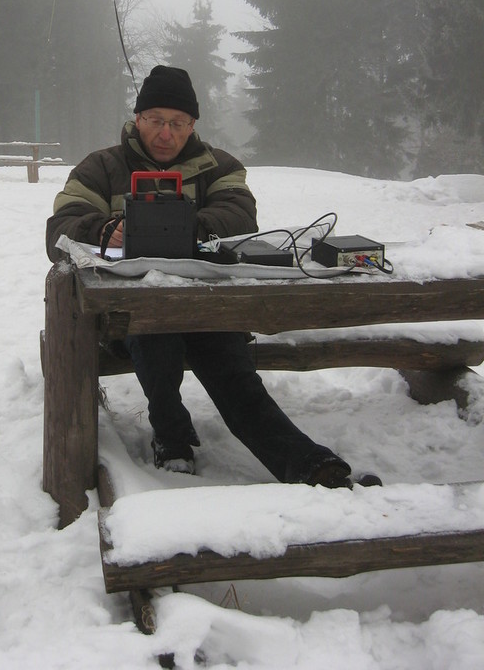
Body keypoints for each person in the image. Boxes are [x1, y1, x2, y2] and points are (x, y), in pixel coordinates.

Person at [46, 65, 378, 488]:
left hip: (210, 311)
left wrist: (174, 228)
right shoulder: (100, 167)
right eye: (156, 120)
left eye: (177, 123)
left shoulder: (219, 166)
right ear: (138, 118)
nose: (165, 133)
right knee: (156, 339)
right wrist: (103, 229)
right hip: (129, 319)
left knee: (236, 376)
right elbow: (60, 229)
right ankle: (171, 436)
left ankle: (309, 464)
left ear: (192, 125)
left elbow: (239, 215)